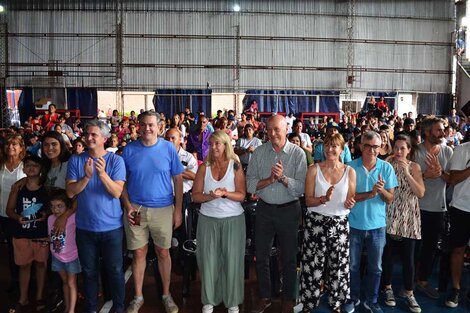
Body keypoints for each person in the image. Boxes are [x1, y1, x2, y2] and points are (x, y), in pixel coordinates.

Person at [121, 111, 183, 313]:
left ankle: (166, 294)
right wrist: (128, 206)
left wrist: (178, 210)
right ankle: (138, 297)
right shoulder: (129, 150)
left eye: (151, 125)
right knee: (138, 253)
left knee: (163, 252)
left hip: (163, 209)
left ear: (159, 127)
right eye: (143, 125)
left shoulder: (168, 149)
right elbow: (121, 183)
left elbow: (178, 180)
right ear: (138, 126)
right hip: (136, 210)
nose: (147, 128)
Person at [247, 115, 307, 313]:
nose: (272, 134)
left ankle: (288, 298)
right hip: (264, 209)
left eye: (276, 129)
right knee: (261, 255)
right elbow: (250, 184)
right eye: (269, 129)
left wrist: (283, 179)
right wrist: (270, 180)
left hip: (289, 210)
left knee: (289, 256)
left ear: (286, 129)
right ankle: (265, 296)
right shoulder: (259, 153)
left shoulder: (298, 154)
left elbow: (301, 188)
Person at [66, 119, 126, 313]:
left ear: (105, 138)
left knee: (115, 271)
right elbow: (69, 192)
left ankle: (119, 308)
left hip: (112, 228)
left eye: (94, 134)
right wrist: (86, 177)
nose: (89, 137)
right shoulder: (76, 160)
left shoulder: (116, 160)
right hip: (85, 228)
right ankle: (91, 308)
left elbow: (117, 192)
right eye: (87, 134)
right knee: (89, 272)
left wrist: (101, 174)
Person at [300, 133, 356, 313]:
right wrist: (323, 199)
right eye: (327, 146)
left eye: (334, 146)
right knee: (312, 265)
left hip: (339, 224)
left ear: (341, 149)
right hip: (315, 223)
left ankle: (337, 302)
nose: (330, 150)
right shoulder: (313, 169)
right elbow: (308, 201)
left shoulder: (350, 171)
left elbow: (350, 200)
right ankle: (309, 302)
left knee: (338, 265)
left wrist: (350, 203)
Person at [343, 131, 398, 313]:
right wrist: (371, 193)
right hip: (353, 225)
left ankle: (372, 301)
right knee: (352, 266)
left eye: (376, 147)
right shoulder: (350, 167)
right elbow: (348, 197)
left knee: (376, 267)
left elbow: (390, 199)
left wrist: (381, 191)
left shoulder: (386, 168)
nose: (372, 150)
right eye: (368, 146)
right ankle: (353, 298)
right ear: (361, 146)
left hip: (377, 226)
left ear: (380, 148)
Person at [192, 130, 246, 313]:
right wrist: (210, 196)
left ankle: (232, 302)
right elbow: (195, 197)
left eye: (218, 143)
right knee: (208, 261)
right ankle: (209, 300)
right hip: (208, 220)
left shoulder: (235, 166)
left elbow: (242, 195)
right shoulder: (203, 167)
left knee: (232, 261)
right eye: (211, 143)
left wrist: (225, 194)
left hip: (233, 220)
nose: (214, 147)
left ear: (225, 145)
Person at [381, 135, 425, 313]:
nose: (398, 151)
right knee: (388, 257)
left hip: (409, 217)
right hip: (391, 214)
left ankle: (409, 292)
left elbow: (420, 192)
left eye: (402, 148)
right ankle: (388, 288)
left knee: (409, 258)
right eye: (396, 148)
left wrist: (407, 173)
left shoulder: (414, 167)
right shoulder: (387, 164)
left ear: (409, 150)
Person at [414, 117, 453, 299]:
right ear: (427, 132)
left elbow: (452, 179)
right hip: (416, 207)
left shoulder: (448, 151)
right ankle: (409, 282)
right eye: (438, 130)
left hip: (438, 208)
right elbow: (407, 180)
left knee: (430, 247)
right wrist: (425, 175)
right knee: (413, 246)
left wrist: (441, 173)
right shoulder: (415, 152)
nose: (443, 133)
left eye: (443, 129)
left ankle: (423, 281)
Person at [6, 155, 49, 313]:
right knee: (24, 266)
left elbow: (51, 208)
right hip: (21, 234)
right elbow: (9, 210)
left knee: (40, 265)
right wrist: (18, 217)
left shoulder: (46, 188)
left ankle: (39, 296)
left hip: (40, 233)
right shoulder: (17, 188)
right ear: (23, 169)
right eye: (28, 165)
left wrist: (46, 214)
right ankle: (23, 298)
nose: (31, 168)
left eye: (35, 166)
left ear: (41, 169)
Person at [0, 134, 27, 294]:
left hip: (18, 215)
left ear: (21, 148)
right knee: (10, 249)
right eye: (8, 144)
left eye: (15, 144)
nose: (11, 147)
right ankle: (15, 281)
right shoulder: (1, 165)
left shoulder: (25, 166)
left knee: (20, 249)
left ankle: (24, 281)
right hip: (2, 213)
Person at [445, 141, 470, 308]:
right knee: (458, 249)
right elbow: (452, 179)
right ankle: (456, 289)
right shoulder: (462, 149)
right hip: (462, 207)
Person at [48, 188, 80, 313]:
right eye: (52, 206)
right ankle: (67, 308)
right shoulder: (50, 219)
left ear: (68, 206)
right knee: (65, 282)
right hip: (56, 257)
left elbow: (77, 199)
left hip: (72, 257)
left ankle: (71, 310)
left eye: (60, 206)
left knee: (71, 283)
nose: (55, 210)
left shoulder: (73, 218)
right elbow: (51, 236)